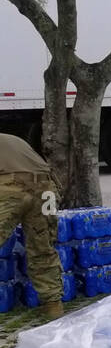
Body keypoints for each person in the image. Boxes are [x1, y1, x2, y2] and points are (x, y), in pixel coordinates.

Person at [0, 134, 62, 319]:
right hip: (45, 188)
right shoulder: (13, 139)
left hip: (10, 188)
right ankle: (53, 308)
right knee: (43, 249)